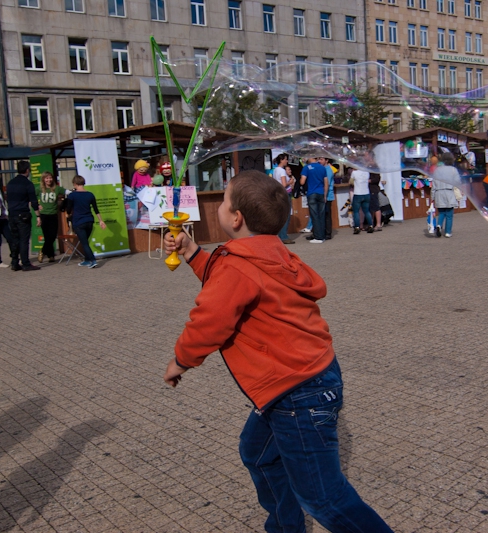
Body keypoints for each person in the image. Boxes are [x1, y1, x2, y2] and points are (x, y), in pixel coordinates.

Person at [162, 170, 394, 533]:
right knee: (258, 453)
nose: (221, 206)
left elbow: (211, 319)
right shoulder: (269, 252)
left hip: (295, 392)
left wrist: (181, 361)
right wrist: (192, 252)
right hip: (308, 379)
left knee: (323, 498)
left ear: (235, 218)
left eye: (224, 201)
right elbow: (231, 278)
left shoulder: (239, 265)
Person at [65, 175, 107, 268]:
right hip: (89, 221)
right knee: (85, 241)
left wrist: (68, 214)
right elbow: (96, 209)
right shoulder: (90, 194)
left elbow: (68, 209)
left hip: (79, 222)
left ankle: (93, 260)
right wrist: (101, 221)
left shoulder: (72, 196)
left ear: (75, 184)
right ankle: (87, 260)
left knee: (84, 243)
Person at [7, 160, 41, 271]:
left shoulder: (10, 183)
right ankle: (26, 263)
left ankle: (14, 262)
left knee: (15, 239)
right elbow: (34, 201)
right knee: (24, 240)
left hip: (12, 215)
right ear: (27, 170)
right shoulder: (28, 184)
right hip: (23, 215)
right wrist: (38, 216)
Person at [36, 172, 66, 263]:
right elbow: (31, 198)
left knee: (52, 236)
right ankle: (51, 255)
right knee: (47, 236)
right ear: (43, 179)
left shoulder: (56, 188)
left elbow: (66, 192)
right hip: (44, 215)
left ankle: (43, 251)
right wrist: (37, 205)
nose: (48, 180)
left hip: (53, 215)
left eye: (50, 178)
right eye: (46, 178)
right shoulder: (39, 189)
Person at [431, 152, 461, 238]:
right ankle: (448, 232)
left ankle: (439, 225)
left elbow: (434, 185)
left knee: (441, 212)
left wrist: (432, 197)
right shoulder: (453, 170)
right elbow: (457, 182)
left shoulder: (437, 170)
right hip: (449, 192)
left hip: (438, 193)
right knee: (449, 214)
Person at [299, 157, 328, 244]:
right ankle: (322, 235)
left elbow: (302, 182)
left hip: (311, 193)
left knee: (314, 215)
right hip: (321, 193)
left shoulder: (307, 167)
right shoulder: (322, 167)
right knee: (321, 215)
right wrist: (325, 195)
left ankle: (318, 237)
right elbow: (326, 182)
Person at [272, 154, 295, 245]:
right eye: (285, 159)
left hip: (279, 194)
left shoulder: (275, 170)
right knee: (286, 215)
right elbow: (284, 184)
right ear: (281, 160)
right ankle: (284, 236)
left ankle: (281, 235)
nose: (287, 161)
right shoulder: (281, 171)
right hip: (285, 193)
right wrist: (290, 181)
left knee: (281, 215)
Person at [350, 167, 373, 234]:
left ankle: (357, 227)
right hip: (366, 193)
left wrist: (356, 183)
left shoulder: (354, 173)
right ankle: (371, 225)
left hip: (358, 193)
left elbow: (351, 182)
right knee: (366, 211)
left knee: (356, 211)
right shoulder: (367, 172)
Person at [319, 157, 336, 239]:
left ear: (326, 160)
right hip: (324, 194)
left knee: (327, 214)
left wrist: (324, 195)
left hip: (328, 195)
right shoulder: (323, 169)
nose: (319, 161)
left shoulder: (328, 170)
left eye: (321, 159)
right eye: (319, 159)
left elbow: (327, 183)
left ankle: (328, 233)